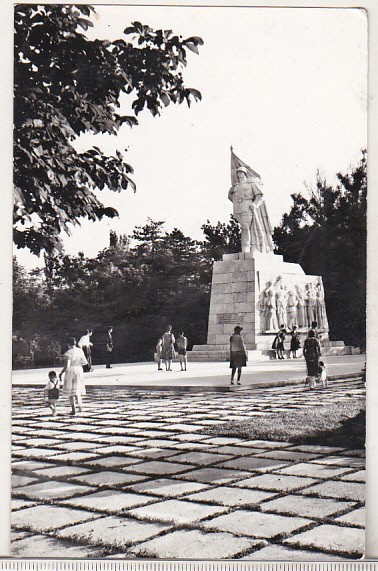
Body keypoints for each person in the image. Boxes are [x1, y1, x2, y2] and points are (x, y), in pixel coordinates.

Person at [228, 166, 274, 254]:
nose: (239, 174)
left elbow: (259, 194)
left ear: (245, 173)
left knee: (246, 227)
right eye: (238, 173)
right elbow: (230, 195)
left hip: (247, 206)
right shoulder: (236, 186)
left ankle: (246, 247)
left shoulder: (250, 183)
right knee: (243, 228)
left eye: (241, 172)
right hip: (239, 208)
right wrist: (236, 202)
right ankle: (246, 247)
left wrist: (255, 204)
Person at [59, 337, 87, 415]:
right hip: (79, 369)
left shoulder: (68, 353)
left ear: (68, 344)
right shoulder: (80, 350)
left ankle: (73, 409)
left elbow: (67, 366)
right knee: (77, 389)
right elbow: (84, 362)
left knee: (71, 391)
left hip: (71, 371)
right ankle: (80, 406)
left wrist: (61, 373)